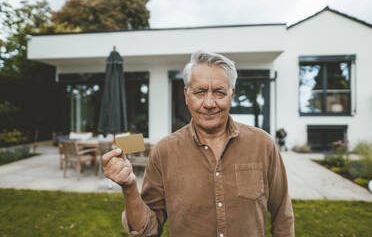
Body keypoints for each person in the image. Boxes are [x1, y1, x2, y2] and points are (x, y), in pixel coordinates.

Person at [102, 50, 295, 237]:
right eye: (200, 92)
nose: (209, 103)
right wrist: (129, 187)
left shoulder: (263, 144)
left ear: (232, 95)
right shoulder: (164, 152)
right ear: (187, 95)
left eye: (219, 92)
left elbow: (282, 217)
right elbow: (147, 230)